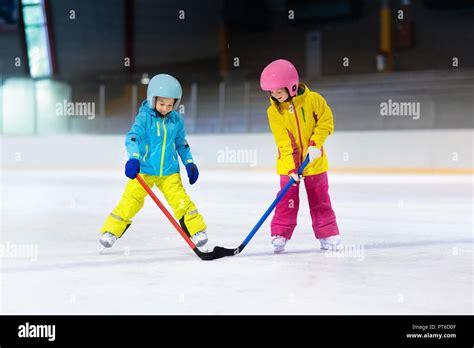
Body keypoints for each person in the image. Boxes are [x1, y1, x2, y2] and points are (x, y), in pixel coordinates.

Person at [99, 74, 208, 248]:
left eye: (170, 105)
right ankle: (111, 231)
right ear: (152, 99)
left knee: (182, 201)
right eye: (162, 104)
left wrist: (189, 163)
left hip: (169, 172)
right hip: (144, 170)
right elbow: (133, 138)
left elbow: (181, 143)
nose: (166, 108)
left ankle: (196, 232)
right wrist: (133, 159)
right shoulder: (144, 118)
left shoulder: (176, 120)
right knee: (131, 200)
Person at [260, 59, 342, 253]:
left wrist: (316, 144)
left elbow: (326, 122)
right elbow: (283, 141)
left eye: (278, 91)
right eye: (271, 92)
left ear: (292, 86)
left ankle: (327, 234)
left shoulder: (314, 100)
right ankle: (280, 233)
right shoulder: (273, 112)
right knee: (286, 198)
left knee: (319, 197)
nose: (275, 96)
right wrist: (291, 169)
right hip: (288, 163)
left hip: (314, 161)